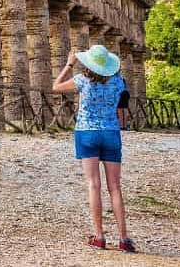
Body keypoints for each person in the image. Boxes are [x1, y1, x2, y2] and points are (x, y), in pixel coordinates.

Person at [53, 45, 136, 252]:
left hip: (86, 132)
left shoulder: (82, 80)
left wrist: (69, 64)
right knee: (115, 187)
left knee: (93, 184)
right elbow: (121, 107)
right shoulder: (118, 82)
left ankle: (99, 236)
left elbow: (56, 86)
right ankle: (124, 239)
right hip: (110, 133)